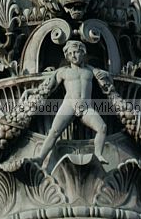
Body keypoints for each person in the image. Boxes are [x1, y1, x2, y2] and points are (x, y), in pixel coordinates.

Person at [37, 39, 111, 167]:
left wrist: (107, 78)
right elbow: (48, 88)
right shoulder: (63, 72)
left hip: (86, 107)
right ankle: (40, 158)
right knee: (54, 132)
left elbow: (107, 82)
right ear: (66, 56)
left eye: (76, 52)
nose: (73, 56)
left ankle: (98, 154)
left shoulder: (91, 71)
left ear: (83, 53)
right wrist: (34, 92)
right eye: (70, 54)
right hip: (69, 105)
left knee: (102, 128)